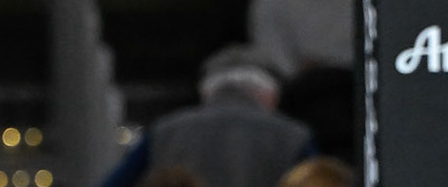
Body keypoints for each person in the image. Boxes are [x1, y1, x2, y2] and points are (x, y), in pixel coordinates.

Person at [98, 45, 316, 187]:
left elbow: (115, 183)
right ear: (269, 92)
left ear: (207, 91)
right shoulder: (293, 136)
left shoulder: (166, 131)